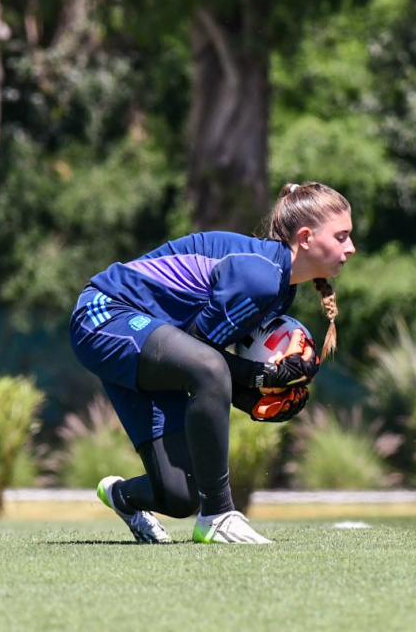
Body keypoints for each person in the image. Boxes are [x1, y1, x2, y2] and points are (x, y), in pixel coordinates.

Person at [69, 182, 356, 544]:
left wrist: (254, 396)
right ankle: (218, 515)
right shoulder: (261, 279)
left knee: (178, 495)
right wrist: (259, 378)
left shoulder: (281, 289)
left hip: (155, 340)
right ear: (306, 238)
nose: (351, 247)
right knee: (207, 368)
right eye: (341, 236)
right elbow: (202, 355)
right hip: (104, 315)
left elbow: (203, 360)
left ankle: (123, 497)